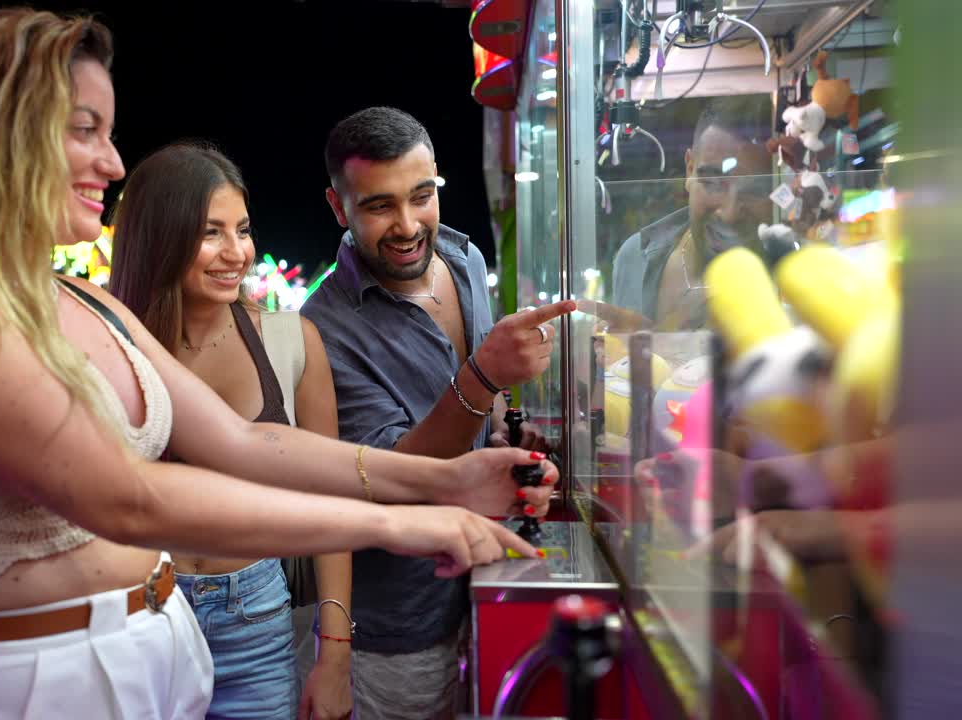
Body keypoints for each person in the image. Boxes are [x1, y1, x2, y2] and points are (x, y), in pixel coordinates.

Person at [0, 10, 553, 719]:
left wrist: (446, 480)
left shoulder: (76, 298)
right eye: (83, 130)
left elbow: (243, 442)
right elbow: (129, 498)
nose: (113, 160)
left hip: (159, 649)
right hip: (49, 678)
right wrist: (400, 525)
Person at [301, 106, 575, 720]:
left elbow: (487, 410)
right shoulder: (323, 329)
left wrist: (518, 435)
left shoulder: (463, 256)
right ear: (338, 206)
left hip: (486, 579)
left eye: (422, 196)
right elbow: (389, 476)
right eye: (379, 206)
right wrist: (485, 374)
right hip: (400, 627)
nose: (407, 224)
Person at [109, 141, 353, 720]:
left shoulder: (292, 342)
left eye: (242, 230)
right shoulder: (109, 349)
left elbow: (334, 496)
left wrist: (335, 653)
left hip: (256, 619)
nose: (236, 252)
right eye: (210, 232)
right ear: (159, 237)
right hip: (140, 618)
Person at [610, 98, 775, 331]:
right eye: (713, 183)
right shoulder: (636, 257)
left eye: (754, 191)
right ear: (689, 169)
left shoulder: (789, 277)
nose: (728, 214)